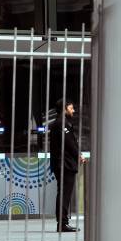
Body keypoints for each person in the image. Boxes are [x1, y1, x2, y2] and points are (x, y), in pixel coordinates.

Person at [49, 99, 85, 232]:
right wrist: (79, 155)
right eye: (71, 108)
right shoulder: (61, 123)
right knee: (64, 194)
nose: (73, 110)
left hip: (63, 164)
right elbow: (69, 143)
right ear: (64, 109)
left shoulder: (60, 123)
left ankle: (63, 222)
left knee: (63, 193)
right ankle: (62, 223)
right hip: (64, 164)